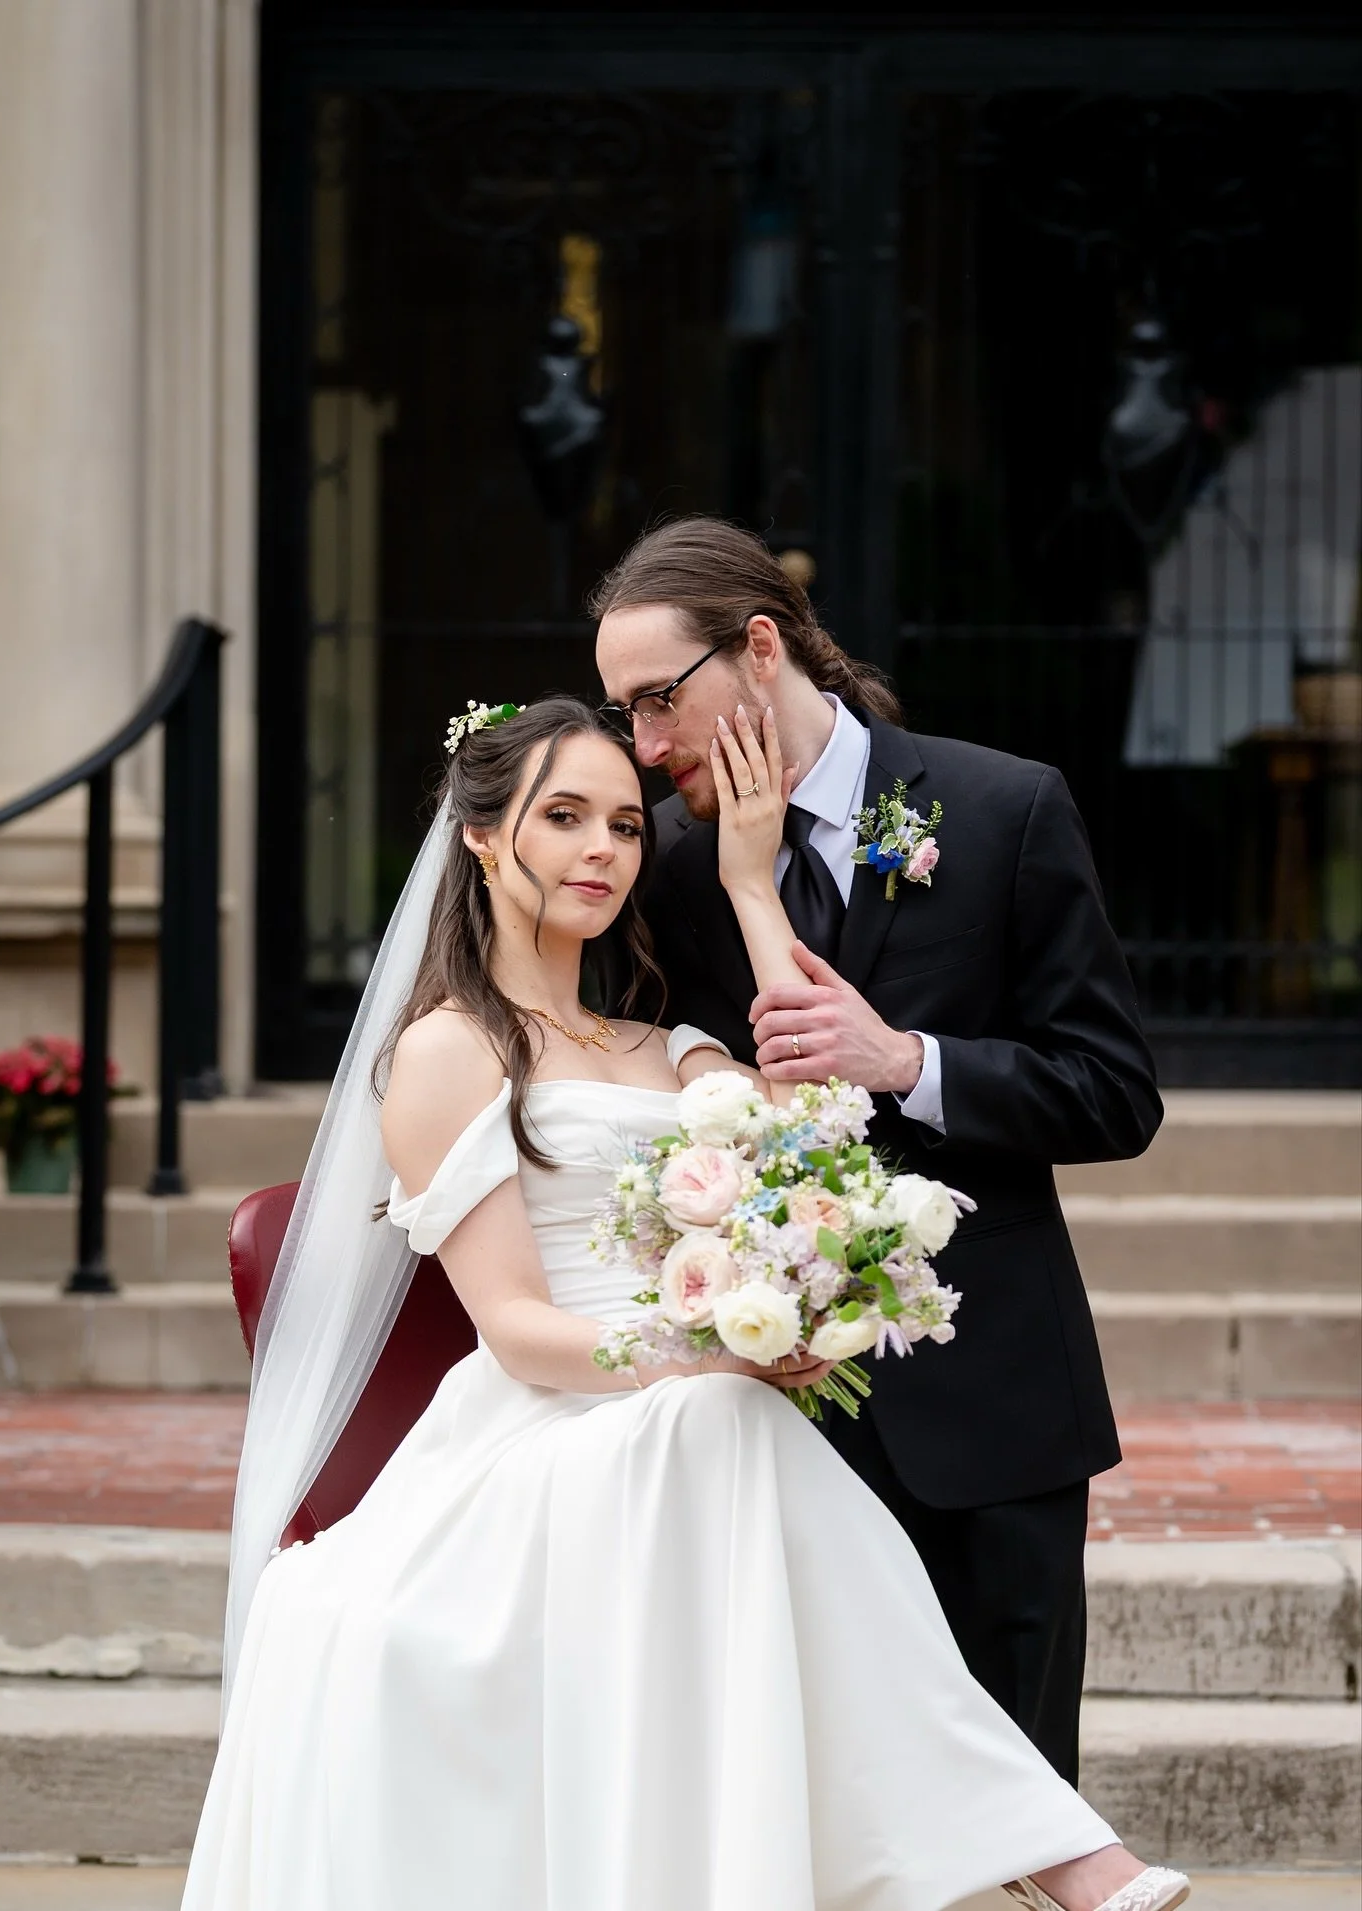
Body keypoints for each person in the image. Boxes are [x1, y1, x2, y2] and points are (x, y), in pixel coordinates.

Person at [181, 694, 1187, 1911]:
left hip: (688, 1410)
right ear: (486, 838)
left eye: (622, 822)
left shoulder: (673, 1049)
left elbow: (829, 1141)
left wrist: (755, 891)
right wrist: (698, 1354)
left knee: (729, 1431)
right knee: (724, 1425)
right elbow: (511, 1326)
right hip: (543, 1422)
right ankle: (1050, 1851)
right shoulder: (450, 1050)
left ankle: (1015, 1848)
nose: (604, 848)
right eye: (564, 818)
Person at [593, 518, 1163, 1788]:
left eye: (654, 702)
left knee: (1016, 1802)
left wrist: (908, 1062)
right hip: (781, 1417)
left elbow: (1116, 1094)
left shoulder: (1006, 807)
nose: (643, 747)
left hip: (995, 1406)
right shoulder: (676, 873)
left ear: (757, 650)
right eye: (622, 711)